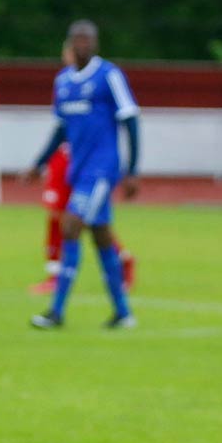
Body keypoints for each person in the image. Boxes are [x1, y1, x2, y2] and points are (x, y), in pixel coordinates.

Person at [25, 20, 140, 329]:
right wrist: (39, 163)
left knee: (71, 224)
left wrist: (133, 170)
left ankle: (56, 311)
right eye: (77, 39)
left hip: (103, 169)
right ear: (69, 43)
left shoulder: (109, 76)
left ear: (96, 43)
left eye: (88, 39)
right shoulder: (63, 82)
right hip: (79, 170)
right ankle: (123, 313)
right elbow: (61, 129)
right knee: (101, 236)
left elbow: (130, 119)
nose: (83, 44)